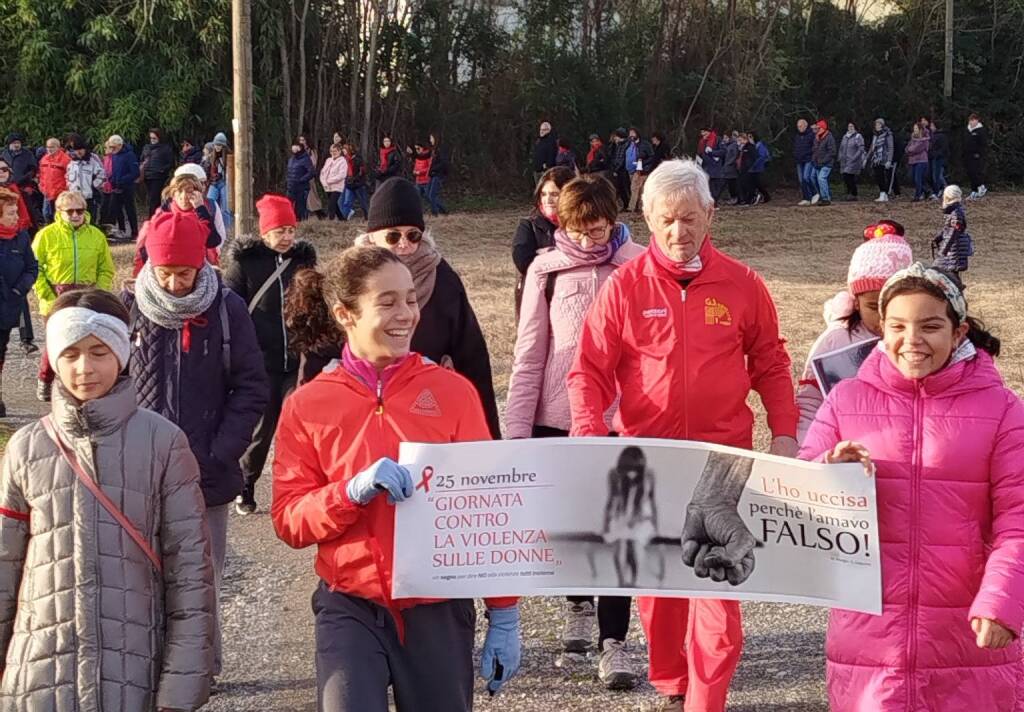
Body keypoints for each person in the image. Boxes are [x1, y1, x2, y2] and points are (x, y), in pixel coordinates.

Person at [567, 159, 799, 712]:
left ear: (710, 213)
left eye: (690, 219)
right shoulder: (624, 287)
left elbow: (770, 361)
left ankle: (705, 700)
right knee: (661, 594)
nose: (679, 232)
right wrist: (587, 429)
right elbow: (589, 370)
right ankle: (673, 684)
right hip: (649, 461)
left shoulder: (744, 285)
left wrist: (785, 432)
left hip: (724, 463)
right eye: (667, 220)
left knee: (719, 590)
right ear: (647, 218)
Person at [271, 245, 521, 711]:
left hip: (438, 607)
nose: (406, 313)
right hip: (348, 604)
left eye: (410, 299)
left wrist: (504, 611)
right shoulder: (308, 405)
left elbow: (491, 513)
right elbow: (289, 520)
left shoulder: (453, 393)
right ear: (345, 314)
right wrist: (347, 493)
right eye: (387, 302)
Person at [799, 263, 1024, 712]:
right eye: (897, 326)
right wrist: (830, 468)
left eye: (931, 326)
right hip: (869, 639)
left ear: (959, 331)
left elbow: (1018, 518)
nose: (912, 340)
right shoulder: (845, 400)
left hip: (968, 637)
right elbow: (798, 493)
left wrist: (1003, 600)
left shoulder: (1002, 410)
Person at [0, 288, 216, 711]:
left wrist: (179, 688)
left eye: (99, 352)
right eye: (71, 353)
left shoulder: (164, 442)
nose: (85, 368)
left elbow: (190, 574)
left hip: (135, 675)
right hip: (38, 676)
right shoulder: (26, 447)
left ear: (122, 352)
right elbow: (5, 569)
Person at [505, 174, 643, 690]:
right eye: (579, 231)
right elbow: (529, 355)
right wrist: (517, 433)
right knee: (570, 526)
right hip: (555, 418)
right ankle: (577, 604)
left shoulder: (638, 265)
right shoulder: (545, 270)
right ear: (561, 224)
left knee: (618, 531)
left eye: (599, 230)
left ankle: (615, 640)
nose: (589, 242)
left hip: (618, 421)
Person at [124, 209, 268, 678]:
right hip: (139, 473)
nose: (172, 285)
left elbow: (251, 387)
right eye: (163, 273)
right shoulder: (127, 309)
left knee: (204, 579)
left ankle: (204, 666)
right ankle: (153, 669)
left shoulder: (227, 311)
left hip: (207, 472)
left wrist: (220, 452)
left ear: (201, 265)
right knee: (144, 579)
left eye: (183, 274)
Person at [296, 178, 502, 439]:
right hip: (359, 412)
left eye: (413, 235)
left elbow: (473, 360)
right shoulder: (351, 276)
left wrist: (489, 441)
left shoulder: (442, 277)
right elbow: (318, 352)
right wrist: (308, 417)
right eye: (393, 236)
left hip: (428, 412)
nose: (404, 244)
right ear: (372, 236)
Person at [222, 194, 317, 515]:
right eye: (279, 231)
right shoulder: (245, 264)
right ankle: (246, 485)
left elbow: (317, 303)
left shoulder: (303, 262)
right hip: (260, 363)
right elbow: (230, 309)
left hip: (297, 360)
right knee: (261, 432)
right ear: (265, 233)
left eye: (291, 230)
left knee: (300, 425)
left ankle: (300, 487)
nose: (287, 237)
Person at [796, 222, 913, 442]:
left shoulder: (920, 340)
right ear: (855, 302)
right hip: (845, 449)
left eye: (894, 305)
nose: (884, 317)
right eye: (873, 306)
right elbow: (811, 402)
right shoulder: (835, 340)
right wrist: (804, 448)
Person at [32, 190, 115, 403]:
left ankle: (77, 384)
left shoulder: (96, 235)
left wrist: (98, 292)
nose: (76, 215)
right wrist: (47, 295)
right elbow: (34, 268)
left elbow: (106, 269)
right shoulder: (46, 235)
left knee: (83, 342)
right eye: (70, 211)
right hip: (56, 293)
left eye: (80, 210)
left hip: (87, 294)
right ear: (59, 212)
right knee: (58, 341)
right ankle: (46, 378)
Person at [132, 169, 225, 277]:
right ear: (173, 194)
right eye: (179, 191)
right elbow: (143, 252)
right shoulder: (161, 217)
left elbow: (213, 241)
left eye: (189, 191)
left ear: (198, 193)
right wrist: (138, 277)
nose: (184, 196)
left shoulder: (204, 213)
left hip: (198, 270)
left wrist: (200, 208)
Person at [512, 166, 575, 317]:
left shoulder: (582, 226)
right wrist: (559, 255)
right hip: (537, 297)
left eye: (554, 194)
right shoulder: (529, 225)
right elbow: (522, 260)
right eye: (544, 194)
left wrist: (544, 255)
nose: (548, 199)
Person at [0, 188, 38, 416]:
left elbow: (32, 268)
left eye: (16, 212)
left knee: (1, 352)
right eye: (11, 213)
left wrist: (19, 289)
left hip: (9, 303)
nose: (17, 217)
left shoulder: (22, 238)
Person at [100, 134, 140, 240]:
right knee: (115, 209)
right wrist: (112, 181)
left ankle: (135, 232)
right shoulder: (114, 155)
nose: (112, 149)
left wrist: (122, 180)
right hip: (116, 187)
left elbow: (135, 172)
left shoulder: (129, 155)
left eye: (114, 147)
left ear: (120, 145)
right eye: (110, 147)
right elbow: (114, 170)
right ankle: (118, 230)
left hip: (127, 186)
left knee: (130, 209)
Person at [932, 185, 973, 281]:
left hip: (954, 248)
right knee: (951, 272)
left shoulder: (955, 212)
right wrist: (938, 238)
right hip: (954, 247)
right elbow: (948, 230)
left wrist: (944, 250)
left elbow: (953, 232)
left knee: (948, 272)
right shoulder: (954, 211)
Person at [140, 128, 176, 217]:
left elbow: (171, 163)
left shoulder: (165, 148)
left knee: (154, 198)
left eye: (154, 138)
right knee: (151, 198)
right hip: (147, 176)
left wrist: (162, 170)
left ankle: (152, 217)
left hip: (158, 176)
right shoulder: (146, 147)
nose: (152, 140)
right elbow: (141, 159)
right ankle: (156, 216)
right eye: (151, 138)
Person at [38, 138, 70, 224]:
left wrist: (65, 189)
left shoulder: (65, 159)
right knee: (46, 214)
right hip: (47, 192)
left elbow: (70, 176)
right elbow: (41, 174)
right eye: (48, 147)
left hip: (60, 192)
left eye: (52, 147)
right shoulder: (44, 159)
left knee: (59, 215)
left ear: (58, 147)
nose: (49, 149)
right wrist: (41, 185)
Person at [204, 132, 232, 226]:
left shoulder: (229, 157)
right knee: (209, 204)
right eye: (216, 144)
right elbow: (206, 169)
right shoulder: (211, 156)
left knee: (225, 208)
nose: (217, 146)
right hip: (213, 183)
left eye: (220, 145)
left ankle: (226, 229)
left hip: (225, 183)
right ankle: (211, 226)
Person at [286, 140, 316, 221]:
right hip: (291, 187)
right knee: (288, 205)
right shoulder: (291, 159)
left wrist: (301, 179)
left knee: (300, 208)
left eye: (297, 147)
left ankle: (302, 222)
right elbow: (289, 172)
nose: (294, 148)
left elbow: (311, 172)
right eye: (293, 146)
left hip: (301, 188)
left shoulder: (306, 159)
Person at [626, 128, 654, 213]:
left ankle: (632, 207)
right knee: (637, 189)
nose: (631, 135)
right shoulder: (630, 145)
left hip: (642, 170)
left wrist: (643, 164)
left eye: (633, 133)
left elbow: (652, 156)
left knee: (635, 188)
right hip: (631, 169)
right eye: (630, 133)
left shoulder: (645, 144)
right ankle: (639, 207)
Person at [867, 118, 895, 203]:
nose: (877, 126)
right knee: (878, 176)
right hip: (876, 159)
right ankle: (883, 193)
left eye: (879, 124)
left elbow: (890, 147)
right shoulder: (875, 135)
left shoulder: (888, 134)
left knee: (883, 176)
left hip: (884, 158)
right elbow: (872, 147)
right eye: (876, 124)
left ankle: (883, 193)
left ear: (882, 125)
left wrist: (889, 160)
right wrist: (866, 157)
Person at [320, 143, 349, 221]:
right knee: (334, 205)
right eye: (331, 151)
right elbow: (323, 172)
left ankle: (331, 220)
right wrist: (324, 182)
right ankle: (342, 219)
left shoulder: (343, 161)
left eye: (335, 151)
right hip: (327, 186)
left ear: (339, 151)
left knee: (331, 204)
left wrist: (329, 181)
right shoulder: (328, 160)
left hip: (337, 186)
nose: (333, 153)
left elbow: (342, 175)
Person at [341, 143, 370, 220]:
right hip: (349, 184)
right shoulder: (343, 160)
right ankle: (343, 218)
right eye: (343, 149)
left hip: (358, 184)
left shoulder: (358, 159)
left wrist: (354, 178)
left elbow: (362, 172)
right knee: (347, 202)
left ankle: (368, 217)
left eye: (345, 149)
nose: (343, 151)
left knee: (363, 203)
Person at [838, 122, 866, 201]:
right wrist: (840, 156)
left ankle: (853, 193)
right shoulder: (844, 136)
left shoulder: (858, 136)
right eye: (849, 126)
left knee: (849, 177)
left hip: (853, 161)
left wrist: (854, 158)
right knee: (846, 177)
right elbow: (841, 147)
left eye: (852, 126)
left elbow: (861, 149)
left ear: (855, 127)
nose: (850, 127)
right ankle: (849, 193)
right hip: (844, 161)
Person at [697, 129, 725, 204]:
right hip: (705, 167)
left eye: (704, 131)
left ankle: (714, 202)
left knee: (715, 186)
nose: (702, 134)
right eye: (701, 132)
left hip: (715, 167)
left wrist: (712, 152)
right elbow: (699, 153)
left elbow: (723, 151)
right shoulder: (702, 142)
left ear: (709, 131)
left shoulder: (717, 140)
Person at [812, 120, 836, 206]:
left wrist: (823, 161)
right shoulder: (817, 137)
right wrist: (814, 160)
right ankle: (824, 197)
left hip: (827, 163)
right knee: (818, 179)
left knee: (821, 178)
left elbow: (832, 152)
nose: (817, 129)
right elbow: (814, 150)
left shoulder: (829, 137)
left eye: (818, 128)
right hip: (818, 163)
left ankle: (826, 198)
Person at [298, 135, 323, 218]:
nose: (301, 142)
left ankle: (319, 212)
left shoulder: (311, 151)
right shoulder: (299, 151)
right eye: (300, 140)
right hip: (299, 176)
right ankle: (304, 214)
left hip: (308, 176)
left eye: (303, 140)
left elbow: (313, 164)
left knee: (311, 195)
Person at [964, 113, 988, 200]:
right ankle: (974, 191)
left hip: (977, 155)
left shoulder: (980, 131)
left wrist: (979, 153)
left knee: (976, 172)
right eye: (970, 120)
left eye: (973, 120)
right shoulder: (968, 130)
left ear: (977, 120)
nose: (971, 122)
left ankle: (981, 186)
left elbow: (983, 144)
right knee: (970, 173)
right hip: (968, 155)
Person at [793, 119, 816, 205]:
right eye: (798, 126)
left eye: (800, 126)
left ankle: (815, 193)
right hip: (799, 160)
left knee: (806, 177)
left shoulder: (811, 135)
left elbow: (814, 147)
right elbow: (796, 147)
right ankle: (806, 198)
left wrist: (810, 155)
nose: (799, 128)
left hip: (808, 159)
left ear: (805, 126)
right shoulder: (797, 136)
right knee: (801, 180)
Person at [905, 124, 930, 202]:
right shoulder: (912, 139)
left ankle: (917, 195)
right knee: (911, 177)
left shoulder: (924, 140)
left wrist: (910, 150)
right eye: (914, 128)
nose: (914, 129)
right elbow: (907, 148)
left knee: (917, 178)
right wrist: (909, 150)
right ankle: (925, 190)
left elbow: (916, 149)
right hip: (912, 161)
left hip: (921, 161)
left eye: (916, 128)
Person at [427, 133, 449, 216]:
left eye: (431, 138)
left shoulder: (441, 149)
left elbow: (443, 162)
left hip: (438, 174)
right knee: (428, 194)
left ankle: (435, 212)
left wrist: (434, 169)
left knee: (432, 195)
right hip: (433, 174)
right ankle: (442, 210)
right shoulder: (433, 149)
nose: (430, 140)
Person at [608, 128, 630, 210]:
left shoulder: (624, 145)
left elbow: (621, 158)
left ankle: (627, 204)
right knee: (620, 188)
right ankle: (625, 205)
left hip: (622, 170)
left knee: (624, 187)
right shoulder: (617, 145)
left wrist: (616, 169)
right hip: (619, 169)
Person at [927, 119, 949, 199]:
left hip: (939, 159)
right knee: (933, 176)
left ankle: (938, 191)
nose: (931, 127)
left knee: (937, 176)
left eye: (932, 126)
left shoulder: (942, 136)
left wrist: (936, 154)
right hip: (933, 158)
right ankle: (938, 190)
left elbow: (943, 149)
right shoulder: (933, 136)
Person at [749, 132, 771, 204]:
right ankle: (764, 196)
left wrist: (755, 164)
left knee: (758, 183)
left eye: (750, 137)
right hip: (754, 167)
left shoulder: (759, 145)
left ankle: (765, 196)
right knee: (756, 183)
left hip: (758, 167)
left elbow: (762, 156)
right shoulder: (754, 146)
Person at [736, 133, 757, 205]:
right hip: (741, 168)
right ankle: (743, 199)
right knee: (741, 184)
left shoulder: (750, 147)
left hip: (747, 169)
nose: (739, 141)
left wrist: (748, 165)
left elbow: (753, 157)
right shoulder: (742, 147)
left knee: (748, 185)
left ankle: (750, 199)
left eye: (740, 140)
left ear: (744, 139)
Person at [721, 131, 740, 204]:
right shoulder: (727, 145)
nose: (724, 139)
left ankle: (735, 198)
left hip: (731, 168)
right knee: (729, 184)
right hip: (727, 168)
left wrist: (729, 163)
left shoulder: (734, 145)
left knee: (732, 184)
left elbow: (735, 155)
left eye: (726, 137)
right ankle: (731, 197)